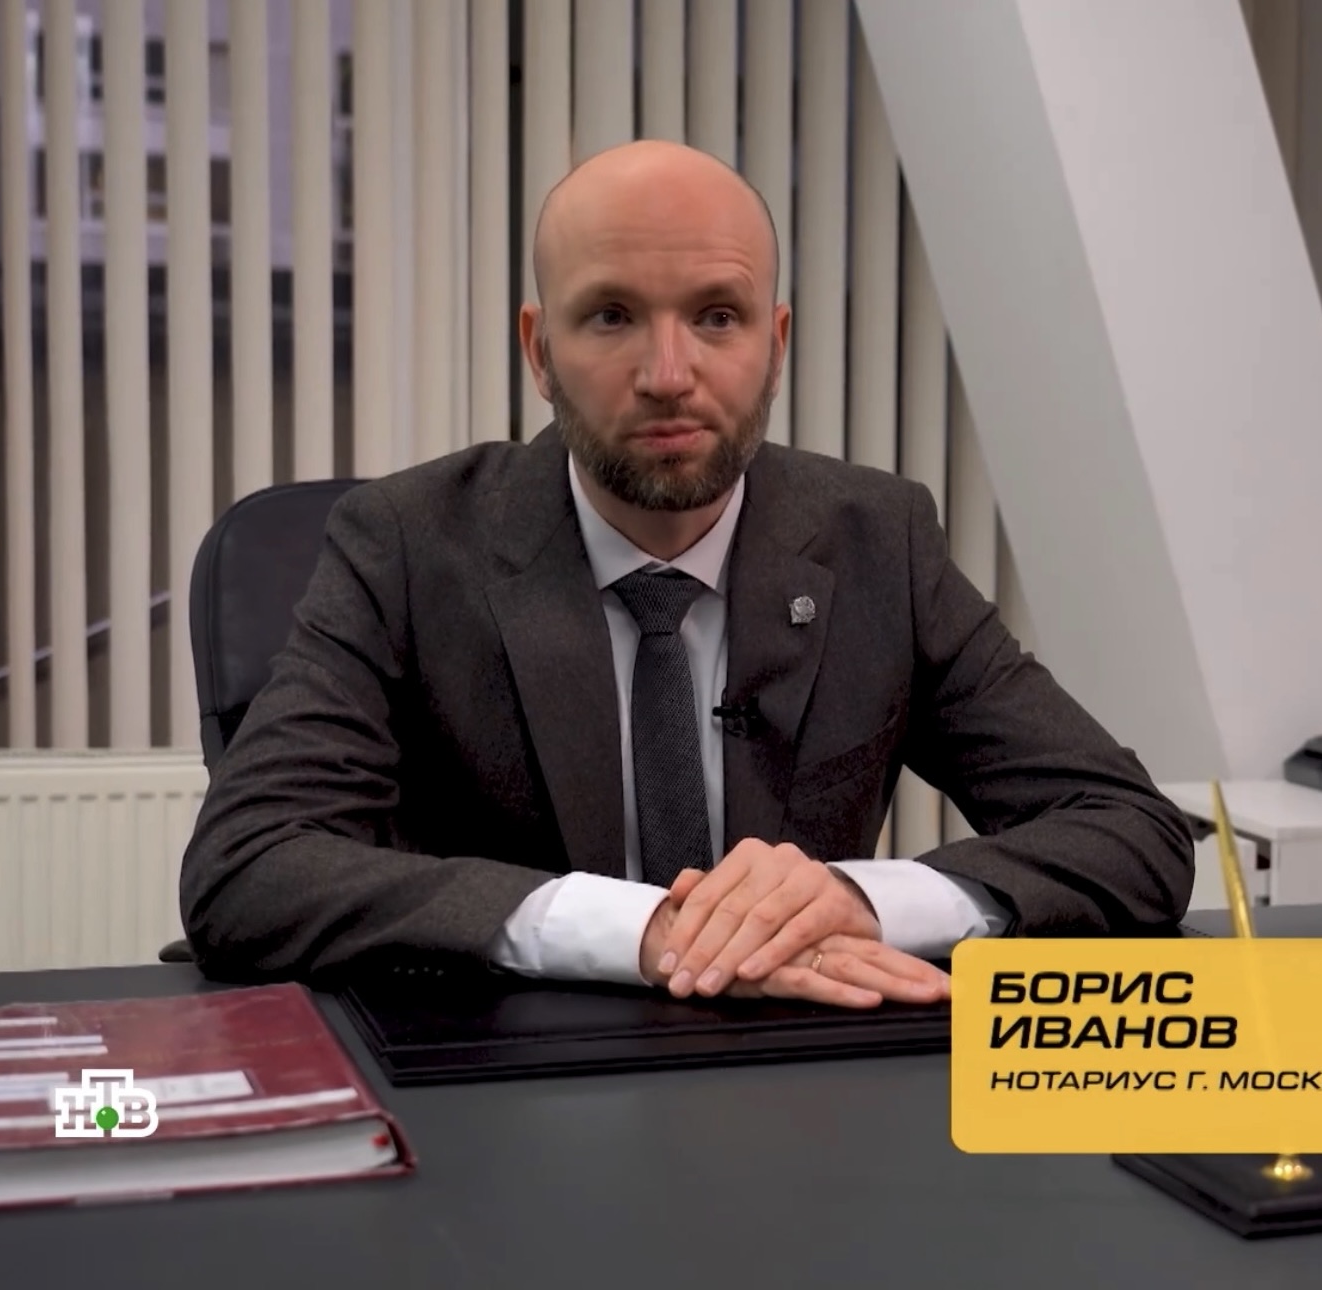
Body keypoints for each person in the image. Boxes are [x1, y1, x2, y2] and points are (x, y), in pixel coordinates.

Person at [177, 140, 1194, 1007]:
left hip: (794, 1085)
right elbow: (248, 866)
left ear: (775, 344)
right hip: (509, 1086)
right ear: (539, 349)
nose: (668, 375)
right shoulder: (403, 545)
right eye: (611, 316)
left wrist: (861, 901)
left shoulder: (878, 541)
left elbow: (1131, 830)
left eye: (716, 316)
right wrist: (636, 931)